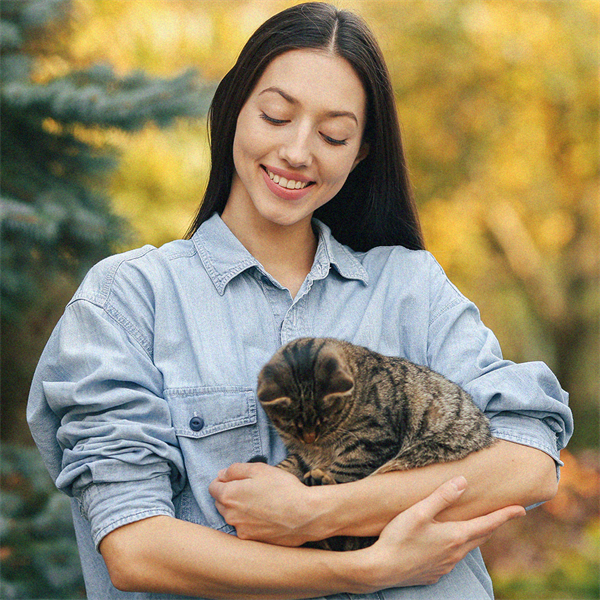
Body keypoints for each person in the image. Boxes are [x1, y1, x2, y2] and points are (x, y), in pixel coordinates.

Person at [27, 3, 573, 599]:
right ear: (233, 110)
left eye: (333, 134)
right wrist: (365, 568)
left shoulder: (409, 288)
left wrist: (320, 513)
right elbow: (134, 547)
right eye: (275, 115)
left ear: (361, 151)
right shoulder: (129, 299)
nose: (297, 151)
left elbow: (528, 461)